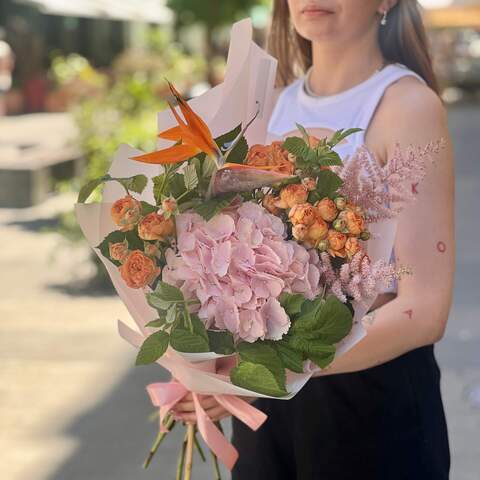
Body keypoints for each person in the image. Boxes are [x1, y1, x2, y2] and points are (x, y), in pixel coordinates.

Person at [172, 1, 455, 479]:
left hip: (372, 410)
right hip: (270, 412)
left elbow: (425, 310)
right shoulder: (267, 105)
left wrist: (261, 373)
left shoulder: (407, 106)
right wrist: (207, 357)